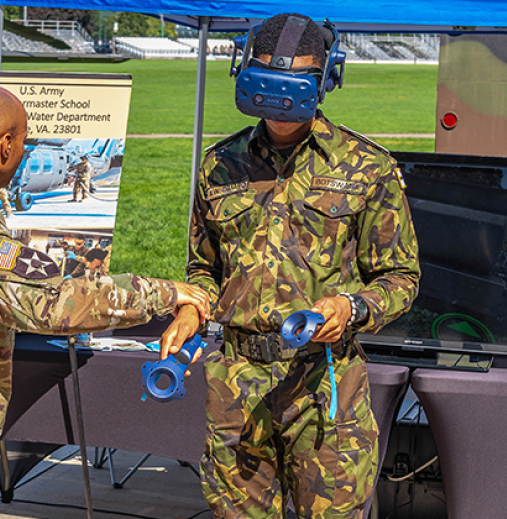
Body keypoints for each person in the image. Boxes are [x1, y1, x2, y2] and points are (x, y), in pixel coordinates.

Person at [0, 84, 210, 519]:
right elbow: (55, 304)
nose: (25, 150)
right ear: (7, 144)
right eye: (24, 139)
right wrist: (163, 292)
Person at [161, 13, 420, 519]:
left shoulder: (365, 167)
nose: (278, 101)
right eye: (264, 80)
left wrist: (351, 306)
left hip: (323, 388)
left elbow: (402, 278)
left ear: (325, 80)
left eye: (295, 83)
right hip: (236, 384)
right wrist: (192, 309)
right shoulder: (220, 165)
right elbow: (204, 268)